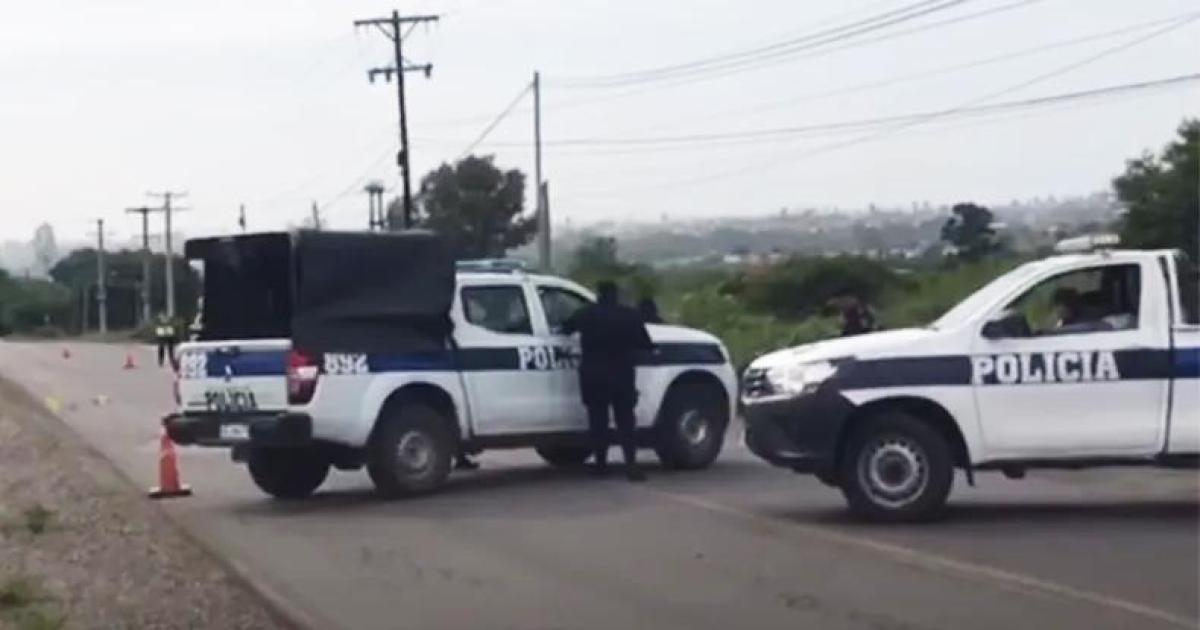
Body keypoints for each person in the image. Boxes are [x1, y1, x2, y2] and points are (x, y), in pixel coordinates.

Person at [562, 281, 654, 481]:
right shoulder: (629, 316)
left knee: (598, 421)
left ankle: (600, 465)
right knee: (626, 422)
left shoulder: (586, 314)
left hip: (593, 374)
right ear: (616, 294)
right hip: (621, 374)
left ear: (598, 294)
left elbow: (565, 328)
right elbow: (645, 344)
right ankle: (631, 466)